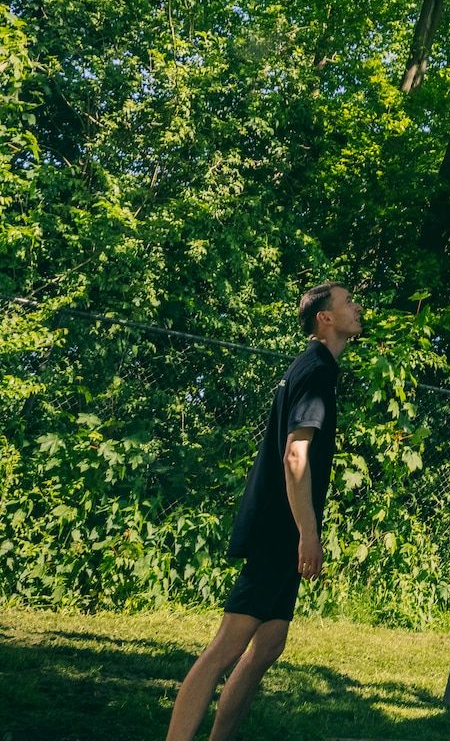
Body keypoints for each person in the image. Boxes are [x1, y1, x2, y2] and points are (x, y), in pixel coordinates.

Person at [167, 283, 365, 741]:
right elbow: (296, 456)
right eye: (347, 302)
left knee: (269, 644)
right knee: (227, 646)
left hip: (281, 527)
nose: (357, 307)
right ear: (326, 318)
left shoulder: (314, 367)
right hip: (281, 529)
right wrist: (308, 532)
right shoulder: (315, 370)